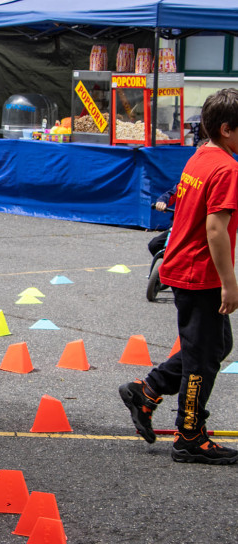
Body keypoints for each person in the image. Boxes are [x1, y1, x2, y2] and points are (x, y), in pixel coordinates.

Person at [119, 88, 238, 465]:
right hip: (200, 274)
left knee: (215, 347)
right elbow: (216, 229)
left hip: (184, 266)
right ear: (226, 129)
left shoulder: (201, 156)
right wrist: (229, 281)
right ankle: (190, 435)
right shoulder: (227, 167)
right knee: (202, 359)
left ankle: (148, 390)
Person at [148, 186, 176, 256]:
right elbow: (171, 193)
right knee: (154, 245)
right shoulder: (185, 182)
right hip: (179, 225)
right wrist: (162, 201)